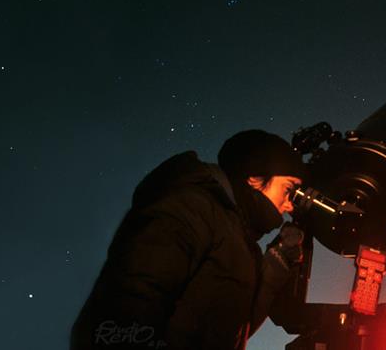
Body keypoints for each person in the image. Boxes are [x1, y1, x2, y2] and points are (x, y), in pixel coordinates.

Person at [71, 130, 307, 350]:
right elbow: (127, 304)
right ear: (254, 178)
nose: (288, 205)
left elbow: (229, 330)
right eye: (288, 189)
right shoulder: (189, 208)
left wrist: (278, 262)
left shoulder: (240, 240)